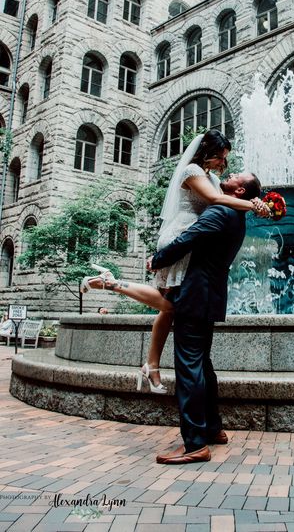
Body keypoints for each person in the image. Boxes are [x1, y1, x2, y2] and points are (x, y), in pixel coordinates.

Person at [80, 130, 269, 394]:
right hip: (182, 237)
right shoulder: (191, 172)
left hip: (196, 240)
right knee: (172, 305)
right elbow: (215, 200)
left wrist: (253, 201)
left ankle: (151, 364)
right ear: (207, 152)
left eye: (225, 159)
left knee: (169, 307)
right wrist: (252, 205)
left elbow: (227, 200)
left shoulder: (213, 177)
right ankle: (112, 284)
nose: (223, 165)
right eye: (219, 157)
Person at [152, 171, 262, 463]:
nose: (231, 173)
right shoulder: (236, 216)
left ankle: (194, 444)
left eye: (237, 176)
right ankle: (213, 429)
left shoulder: (222, 210)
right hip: (210, 296)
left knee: (188, 368)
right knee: (202, 364)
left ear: (239, 191)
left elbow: (189, 237)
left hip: (195, 295)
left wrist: (158, 259)